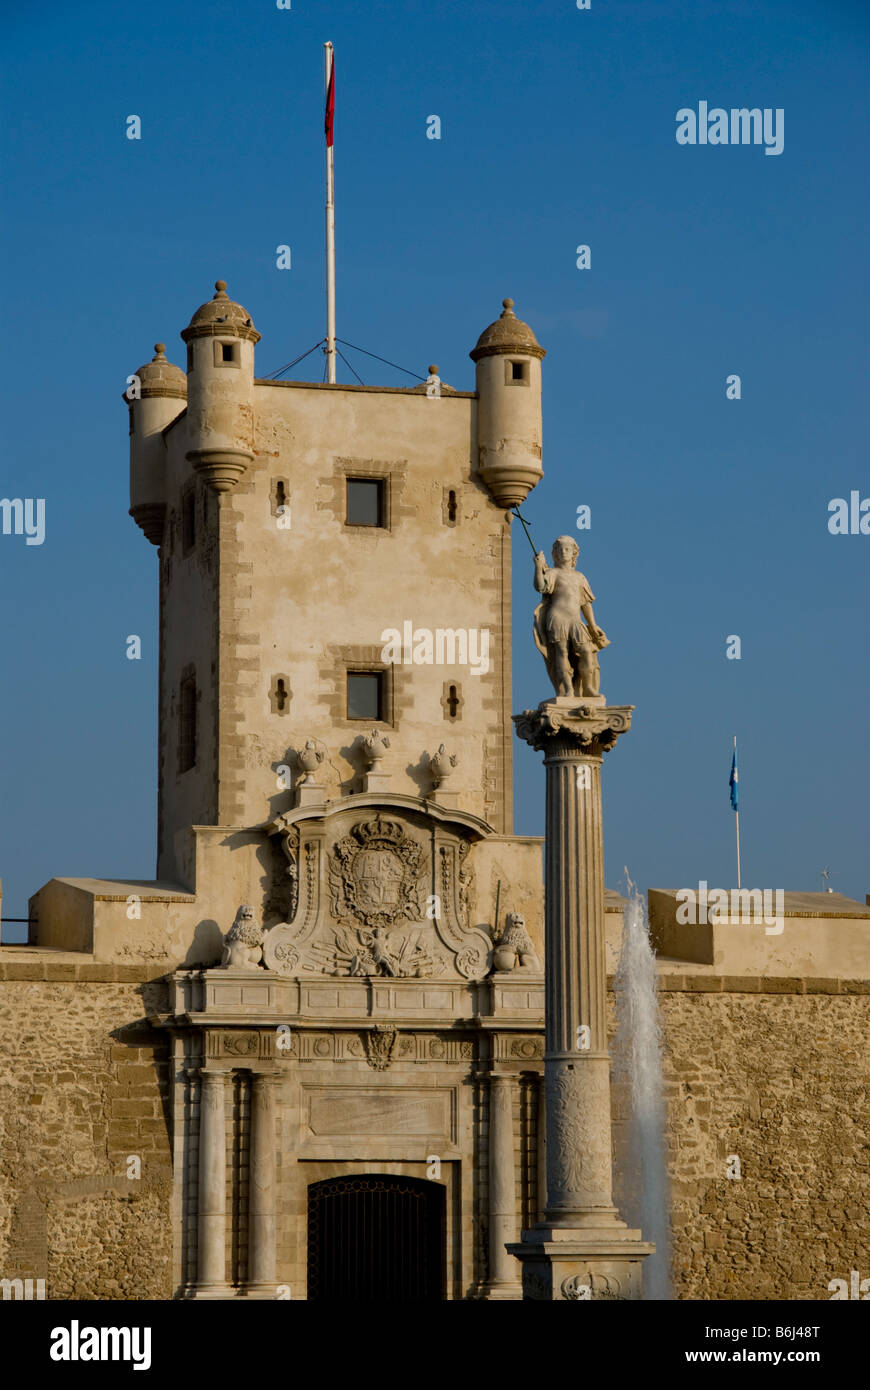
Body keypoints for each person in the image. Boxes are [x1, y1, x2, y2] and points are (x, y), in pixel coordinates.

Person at [533, 535, 609, 697]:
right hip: (557, 617)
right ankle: (567, 689)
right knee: (561, 652)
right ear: (555, 554)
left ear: (574, 553)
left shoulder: (580, 577)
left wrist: (593, 625)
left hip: (576, 620)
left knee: (586, 651)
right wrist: (538, 568)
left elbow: (586, 603)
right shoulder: (553, 572)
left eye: (567, 549)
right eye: (560, 549)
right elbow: (541, 587)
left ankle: (588, 687)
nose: (564, 552)